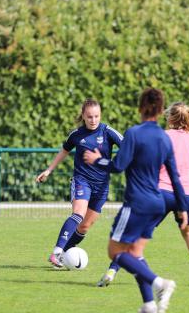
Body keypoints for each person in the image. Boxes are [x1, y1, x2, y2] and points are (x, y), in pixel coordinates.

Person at [84, 88, 188, 313]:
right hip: (156, 204)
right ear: (161, 111)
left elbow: (118, 166)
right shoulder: (164, 138)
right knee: (135, 254)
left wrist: (96, 159)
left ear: (140, 108)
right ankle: (149, 305)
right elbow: (176, 179)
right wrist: (182, 209)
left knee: (114, 252)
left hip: (136, 204)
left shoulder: (134, 133)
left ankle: (161, 283)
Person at [97, 102, 189, 288]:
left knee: (135, 236)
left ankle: (112, 271)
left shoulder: (162, 136)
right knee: (188, 233)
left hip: (160, 193)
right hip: (186, 196)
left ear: (169, 118)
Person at [36, 98, 123, 268]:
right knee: (78, 214)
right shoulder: (76, 135)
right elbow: (64, 151)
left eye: (96, 116)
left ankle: (63, 254)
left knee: (84, 227)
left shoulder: (108, 132)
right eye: (89, 117)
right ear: (83, 116)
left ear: (100, 115)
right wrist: (49, 170)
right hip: (82, 180)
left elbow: (128, 145)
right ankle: (57, 252)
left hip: (102, 186)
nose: (93, 120)